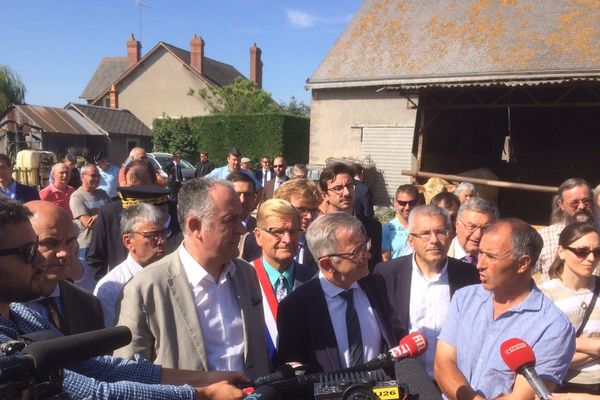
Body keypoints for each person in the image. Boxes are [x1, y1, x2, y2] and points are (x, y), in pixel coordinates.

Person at [0, 196, 247, 400]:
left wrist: (207, 378)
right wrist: (200, 394)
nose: (40, 260)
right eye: (28, 252)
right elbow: (93, 393)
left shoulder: (22, 316)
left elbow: (97, 367)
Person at [114, 178, 270, 378]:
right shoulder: (146, 288)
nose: (241, 229)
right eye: (230, 220)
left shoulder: (246, 275)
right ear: (195, 226)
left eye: (240, 218)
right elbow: (129, 376)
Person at [434, 219, 576, 400]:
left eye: (491, 257)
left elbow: (523, 397)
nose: (479, 264)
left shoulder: (553, 327)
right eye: (480, 253)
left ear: (522, 264)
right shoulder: (464, 298)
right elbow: (442, 365)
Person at [277, 212, 395, 373]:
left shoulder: (377, 285)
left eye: (366, 245)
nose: (367, 255)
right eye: (357, 251)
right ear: (327, 264)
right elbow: (295, 375)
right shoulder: (295, 307)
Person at [373, 205, 479, 377]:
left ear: (451, 236)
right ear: (410, 240)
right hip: (405, 380)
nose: (434, 240)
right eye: (425, 234)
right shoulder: (386, 274)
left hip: (453, 381)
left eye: (441, 232)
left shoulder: (468, 276)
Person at [87, 161, 180, 279]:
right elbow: (95, 259)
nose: (136, 193)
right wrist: (108, 288)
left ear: (154, 183)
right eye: (132, 188)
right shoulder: (109, 213)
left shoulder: (171, 211)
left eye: (143, 188)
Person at [24, 200, 104, 335]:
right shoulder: (6, 307)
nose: (64, 253)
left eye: (70, 241)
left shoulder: (88, 304)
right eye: (50, 242)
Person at [251, 199, 315, 362]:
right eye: (278, 232)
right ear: (258, 236)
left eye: (294, 231)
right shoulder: (243, 279)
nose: (287, 239)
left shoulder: (314, 280)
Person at [540, 222, 600, 393]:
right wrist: (595, 347)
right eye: (581, 251)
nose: (591, 258)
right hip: (562, 386)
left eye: (597, 252)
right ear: (561, 252)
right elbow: (545, 356)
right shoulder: (544, 296)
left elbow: (558, 352)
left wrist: (571, 343)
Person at [94, 203, 168, 327]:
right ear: (128, 241)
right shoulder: (112, 287)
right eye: (152, 236)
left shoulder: (173, 272)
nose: (162, 241)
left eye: (164, 233)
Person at [319, 162, 382, 269]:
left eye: (349, 186)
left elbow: (374, 266)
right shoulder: (317, 230)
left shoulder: (372, 227)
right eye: (338, 188)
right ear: (325, 195)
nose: (347, 193)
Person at [537, 178, 598, 281]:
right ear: (561, 204)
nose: (582, 206)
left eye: (586, 201)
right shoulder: (544, 237)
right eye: (574, 203)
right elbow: (523, 273)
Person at [274, 178, 322, 270]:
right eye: (301, 210)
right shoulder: (257, 242)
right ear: (281, 207)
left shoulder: (320, 245)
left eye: (313, 210)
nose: (309, 216)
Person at [70, 163, 110, 260]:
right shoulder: (77, 196)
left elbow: (113, 213)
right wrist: (105, 216)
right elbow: (88, 222)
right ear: (82, 176)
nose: (96, 179)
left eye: (98, 176)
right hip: (87, 246)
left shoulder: (103, 194)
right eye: (93, 175)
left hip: (105, 242)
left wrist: (100, 217)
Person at [447, 197, 499, 265]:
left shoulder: (499, 263)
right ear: (457, 225)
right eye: (472, 227)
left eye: (486, 228)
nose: (478, 235)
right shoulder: (439, 257)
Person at [382, 184, 419, 261]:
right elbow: (385, 260)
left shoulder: (425, 227)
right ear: (395, 202)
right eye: (402, 203)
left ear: (418, 202)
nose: (407, 207)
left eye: (411, 203)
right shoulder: (386, 229)